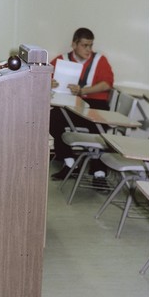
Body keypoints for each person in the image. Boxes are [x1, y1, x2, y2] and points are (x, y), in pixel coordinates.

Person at [49, 27, 114, 186]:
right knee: (53, 119)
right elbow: (45, 78)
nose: (88, 50)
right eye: (84, 45)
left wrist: (83, 90)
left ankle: (99, 171)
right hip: (70, 105)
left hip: (95, 104)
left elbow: (107, 84)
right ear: (74, 44)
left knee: (98, 128)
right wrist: (49, 83)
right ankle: (70, 161)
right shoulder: (61, 60)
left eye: (90, 45)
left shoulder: (100, 60)